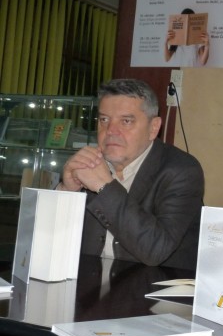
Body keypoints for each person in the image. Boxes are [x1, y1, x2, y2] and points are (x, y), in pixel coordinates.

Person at [58, 79, 205, 270]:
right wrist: (66, 191)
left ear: (153, 128)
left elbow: (156, 250)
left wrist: (104, 187)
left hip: (152, 285)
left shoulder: (181, 170)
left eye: (126, 121)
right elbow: (46, 241)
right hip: (88, 282)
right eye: (104, 120)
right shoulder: (87, 164)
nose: (111, 131)